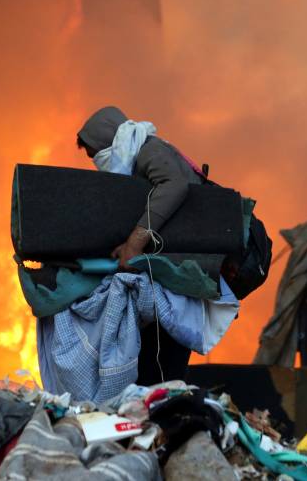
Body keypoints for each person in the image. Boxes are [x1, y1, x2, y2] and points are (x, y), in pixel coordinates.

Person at [76, 105, 208, 385]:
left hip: (176, 279)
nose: (96, 162)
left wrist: (134, 243)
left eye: (95, 154)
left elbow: (173, 186)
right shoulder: (133, 159)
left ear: (111, 140)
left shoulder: (149, 150)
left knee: (160, 372)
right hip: (161, 278)